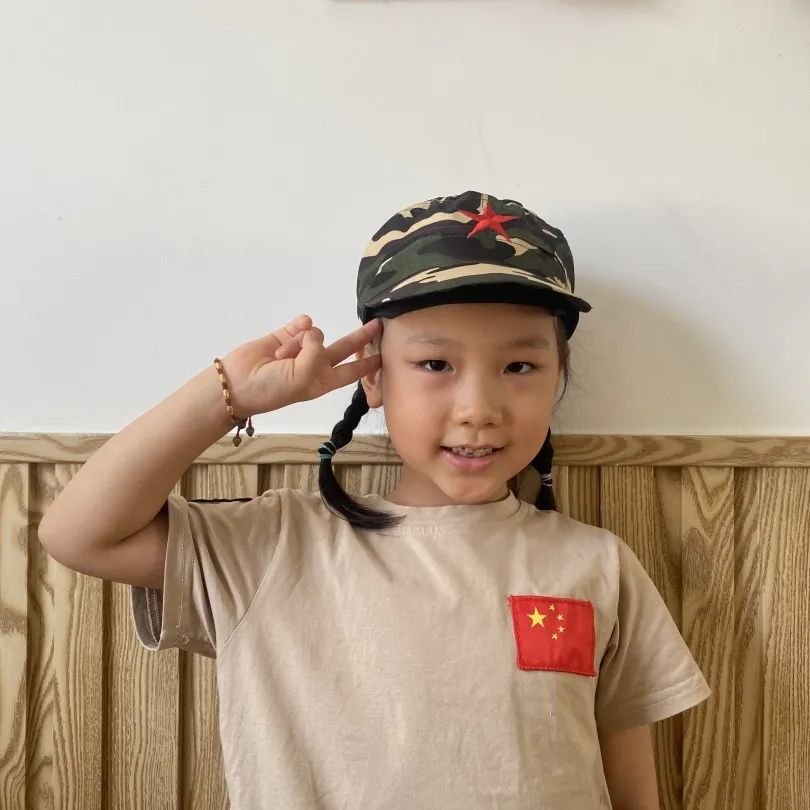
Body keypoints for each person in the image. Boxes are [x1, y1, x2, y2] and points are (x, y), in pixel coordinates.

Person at [39, 190, 711, 809]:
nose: (478, 408)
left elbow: (631, 788)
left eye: (519, 366)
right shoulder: (272, 546)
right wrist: (228, 396)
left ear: (558, 377)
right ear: (374, 376)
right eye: (435, 364)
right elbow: (77, 535)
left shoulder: (597, 565)